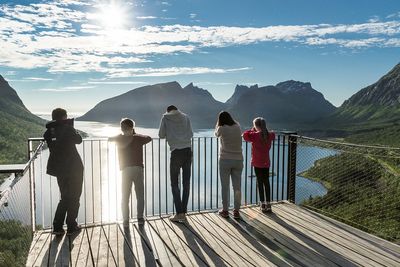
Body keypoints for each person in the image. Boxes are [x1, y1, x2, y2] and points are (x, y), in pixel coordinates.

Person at [44, 108, 83, 236]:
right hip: (74, 168)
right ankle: (72, 226)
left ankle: (57, 227)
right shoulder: (68, 129)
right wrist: (71, 127)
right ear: (64, 117)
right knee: (75, 196)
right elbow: (79, 140)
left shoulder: (49, 132)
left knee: (64, 197)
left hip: (60, 169)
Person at [109, 118, 152, 227]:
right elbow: (149, 138)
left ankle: (126, 221)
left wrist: (120, 136)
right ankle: (140, 218)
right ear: (132, 127)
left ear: (122, 128)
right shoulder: (137, 138)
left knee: (125, 196)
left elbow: (109, 139)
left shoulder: (119, 138)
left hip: (125, 170)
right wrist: (135, 133)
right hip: (138, 169)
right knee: (140, 195)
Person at [159, 105, 193, 222]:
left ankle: (179, 213)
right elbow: (191, 134)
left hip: (176, 152)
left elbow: (161, 135)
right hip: (188, 151)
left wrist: (172, 135)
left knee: (174, 183)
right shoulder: (186, 117)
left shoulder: (165, 118)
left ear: (168, 110)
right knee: (186, 182)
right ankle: (183, 212)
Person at [243, 117, 275, 213]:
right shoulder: (270, 135)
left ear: (256, 126)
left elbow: (245, 135)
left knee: (259, 183)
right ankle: (268, 204)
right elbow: (273, 134)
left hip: (257, 162)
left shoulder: (254, 136)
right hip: (266, 162)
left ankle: (262, 204)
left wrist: (252, 129)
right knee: (267, 182)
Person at [215, 111, 243, 219]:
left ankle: (225, 210)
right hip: (238, 160)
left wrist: (218, 124)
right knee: (237, 187)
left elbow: (216, 134)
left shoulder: (221, 128)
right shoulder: (237, 126)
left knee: (225, 186)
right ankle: (236, 211)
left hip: (225, 160)